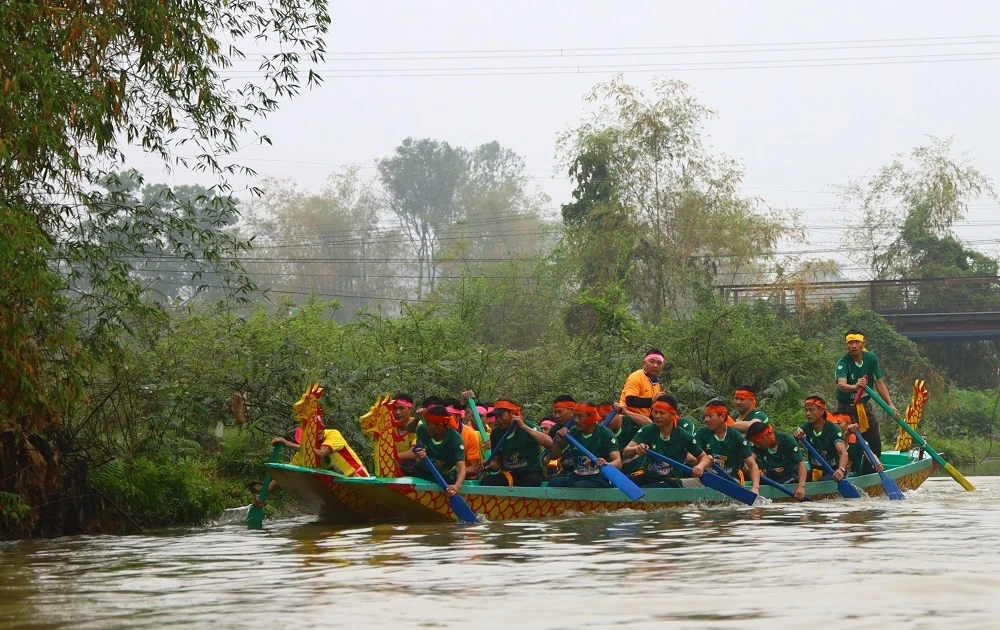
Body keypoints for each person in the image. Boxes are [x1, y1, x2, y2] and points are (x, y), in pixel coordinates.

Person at [835, 329, 897, 472]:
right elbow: (842, 385)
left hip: (864, 406)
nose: (854, 346)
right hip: (845, 408)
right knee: (850, 442)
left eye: (857, 342)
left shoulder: (871, 359)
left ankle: (868, 474)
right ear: (846, 345)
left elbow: (879, 383)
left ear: (863, 343)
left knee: (875, 443)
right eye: (850, 343)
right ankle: (846, 471)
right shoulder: (843, 363)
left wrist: (890, 405)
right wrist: (855, 386)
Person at [622, 394, 712, 488]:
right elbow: (626, 452)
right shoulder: (647, 430)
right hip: (648, 476)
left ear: (672, 415)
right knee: (617, 482)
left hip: (671, 481)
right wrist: (636, 449)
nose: (657, 416)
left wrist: (700, 467)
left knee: (649, 488)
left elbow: (704, 457)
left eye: (662, 413)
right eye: (655, 412)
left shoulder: (683, 435)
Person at [547, 402, 622, 488]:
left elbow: (618, 462)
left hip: (599, 477)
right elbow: (553, 456)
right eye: (574, 416)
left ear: (591, 417)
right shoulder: (573, 432)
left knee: (580, 486)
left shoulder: (605, 433)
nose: (576, 420)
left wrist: (606, 464)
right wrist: (559, 441)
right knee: (554, 483)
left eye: (580, 416)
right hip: (577, 476)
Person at [481, 399, 553, 487]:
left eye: (501, 415)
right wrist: (490, 465)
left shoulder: (529, 426)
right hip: (508, 474)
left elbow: (549, 443)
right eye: (496, 417)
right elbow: (497, 462)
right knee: (488, 481)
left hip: (531, 472)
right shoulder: (496, 433)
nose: (498, 420)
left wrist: (523, 427)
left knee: (531, 481)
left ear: (513, 414)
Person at [695, 398, 760, 494]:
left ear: (722, 417)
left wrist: (755, 488)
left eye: (710, 416)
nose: (706, 420)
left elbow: (752, 465)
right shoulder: (701, 433)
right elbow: (690, 457)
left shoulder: (736, 437)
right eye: (705, 416)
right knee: (677, 483)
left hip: (730, 481)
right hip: (705, 479)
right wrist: (704, 459)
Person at [399, 405, 467, 496]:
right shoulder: (423, 429)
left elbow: (461, 467)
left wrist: (456, 486)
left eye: (428, 424)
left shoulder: (455, 439)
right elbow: (409, 429)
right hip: (424, 472)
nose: (426, 426)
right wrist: (416, 418)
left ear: (439, 425)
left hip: (445, 477)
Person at [745, 421, 807, 500]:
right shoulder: (757, 447)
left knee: (781, 482)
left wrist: (801, 487)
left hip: (790, 477)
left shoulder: (788, 441)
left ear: (766, 435)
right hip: (770, 477)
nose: (757, 445)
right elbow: (751, 459)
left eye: (758, 443)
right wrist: (747, 465)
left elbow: (801, 464)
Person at [793, 395, 850, 482]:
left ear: (822, 411)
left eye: (811, 410)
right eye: (806, 410)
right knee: (794, 478)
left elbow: (843, 453)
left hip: (834, 471)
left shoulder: (833, 429)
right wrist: (796, 438)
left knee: (823, 480)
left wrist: (841, 469)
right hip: (815, 471)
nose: (807, 413)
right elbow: (791, 447)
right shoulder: (804, 428)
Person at [609, 400, 653, 477]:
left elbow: (650, 424)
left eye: (604, 418)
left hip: (641, 470)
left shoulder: (630, 421)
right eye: (600, 420)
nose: (603, 422)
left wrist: (626, 412)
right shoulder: (603, 431)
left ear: (616, 414)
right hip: (619, 475)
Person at [619, 349, 665, 417]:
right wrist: (652, 400)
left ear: (662, 367)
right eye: (652, 362)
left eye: (659, 363)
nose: (655, 366)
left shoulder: (656, 384)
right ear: (645, 363)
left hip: (643, 419)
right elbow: (630, 401)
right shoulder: (636, 377)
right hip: (627, 418)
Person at [445, 397, 483, 477]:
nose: (444, 418)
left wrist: (453, 474)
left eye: (448, 415)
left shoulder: (470, 434)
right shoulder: (434, 430)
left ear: (458, 416)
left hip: (464, 480)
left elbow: (474, 467)